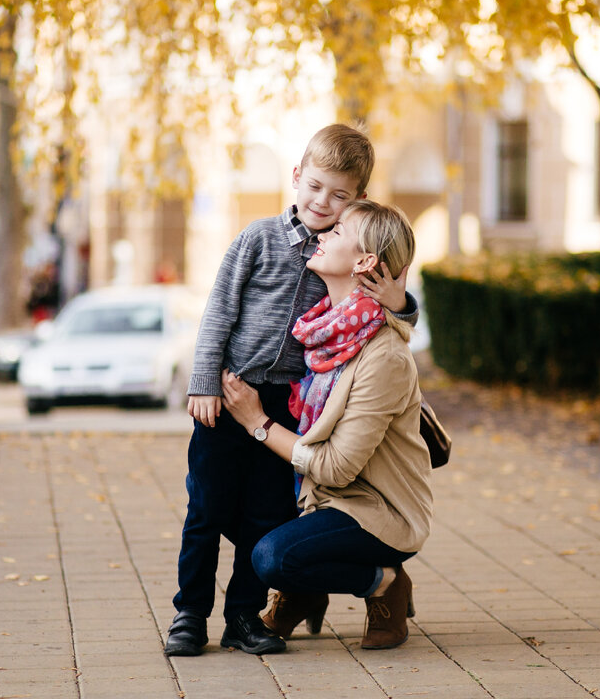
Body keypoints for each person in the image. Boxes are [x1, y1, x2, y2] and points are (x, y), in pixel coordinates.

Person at [164, 124, 419, 658]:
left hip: (286, 405)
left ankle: (243, 618)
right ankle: (190, 613)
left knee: (264, 516)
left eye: (340, 195)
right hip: (231, 394)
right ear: (298, 176)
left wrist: (403, 304)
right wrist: (204, 382)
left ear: (358, 199)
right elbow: (217, 315)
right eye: (316, 186)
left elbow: (385, 309)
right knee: (207, 511)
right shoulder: (259, 239)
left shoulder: (344, 250)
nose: (323, 203)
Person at [222, 200, 432, 651]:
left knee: (271, 556)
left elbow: (336, 468)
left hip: (377, 510)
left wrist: (257, 423)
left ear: (363, 262)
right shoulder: (324, 329)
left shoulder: (384, 356)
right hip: (321, 500)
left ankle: (385, 582)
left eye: (337, 232)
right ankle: (304, 589)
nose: (321, 235)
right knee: (230, 508)